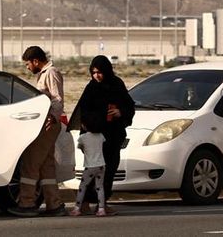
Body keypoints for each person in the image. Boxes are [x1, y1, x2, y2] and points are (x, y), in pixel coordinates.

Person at [69, 55, 135, 214]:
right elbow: (83, 111)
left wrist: (120, 112)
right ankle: (84, 202)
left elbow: (129, 105)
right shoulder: (91, 87)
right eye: (93, 72)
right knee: (90, 171)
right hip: (94, 138)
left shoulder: (117, 84)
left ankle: (102, 203)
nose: (96, 75)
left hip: (112, 136)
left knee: (109, 170)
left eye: (99, 72)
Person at [8, 45, 67, 217]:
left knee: (30, 163)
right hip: (46, 123)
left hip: (48, 124)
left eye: (28, 64)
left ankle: (26, 203)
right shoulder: (44, 74)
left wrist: (53, 117)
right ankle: (54, 205)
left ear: (36, 61)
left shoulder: (51, 73)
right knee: (46, 167)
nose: (27, 68)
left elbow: (57, 98)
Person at [69, 112, 109, 217]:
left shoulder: (83, 137)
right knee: (100, 187)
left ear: (84, 125)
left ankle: (77, 208)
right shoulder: (101, 136)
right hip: (101, 165)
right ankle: (101, 209)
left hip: (90, 166)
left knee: (83, 186)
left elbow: (81, 147)